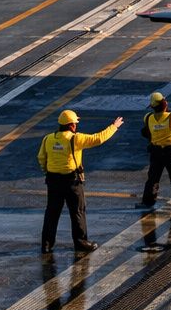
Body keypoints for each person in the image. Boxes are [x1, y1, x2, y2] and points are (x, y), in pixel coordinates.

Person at [37, 108, 123, 255]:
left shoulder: (48, 139)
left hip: (53, 181)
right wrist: (114, 126)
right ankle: (81, 242)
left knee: (52, 213)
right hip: (71, 182)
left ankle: (46, 245)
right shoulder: (75, 139)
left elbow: (41, 158)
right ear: (71, 125)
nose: (76, 126)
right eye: (75, 123)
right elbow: (98, 138)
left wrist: (48, 171)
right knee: (77, 212)